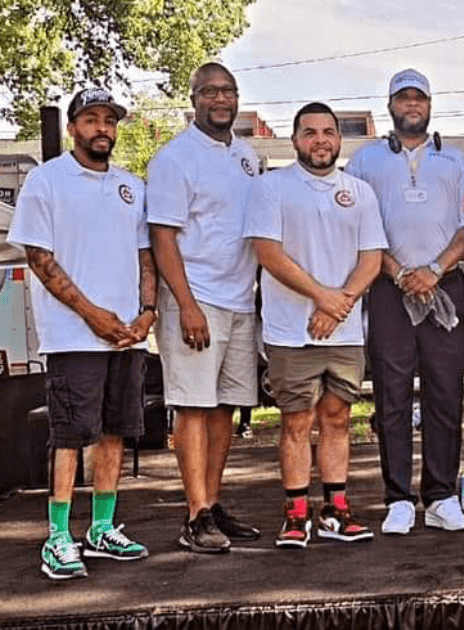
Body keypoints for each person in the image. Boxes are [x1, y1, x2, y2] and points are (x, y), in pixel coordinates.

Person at [10, 88, 154, 579]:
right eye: (91, 120)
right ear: (73, 127)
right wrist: (92, 314)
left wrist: (147, 312)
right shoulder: (46, 180)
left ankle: (102, 528)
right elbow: (38, 257)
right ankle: (57, 536)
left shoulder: (131, 186)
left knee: (116, 430)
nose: (101, 129)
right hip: (73, 336)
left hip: (127, 336)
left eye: (109, 121)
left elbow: (145, 254)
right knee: (69, 435)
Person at [244, 103, 388, 548]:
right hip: (291, 330)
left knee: (338, 418)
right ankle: (295, 513)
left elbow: (372, 258)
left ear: (340, 139)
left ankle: (335, 510)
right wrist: (322, 297)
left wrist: (338, 304)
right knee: (296, 421)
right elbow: (268, 254)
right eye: (310, 132)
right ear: (295, 140)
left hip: (344, 331)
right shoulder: (271, 187)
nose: (320, 140)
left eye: (328, 132)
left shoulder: (359, 192)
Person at [346, 69, 464, 535]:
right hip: (389, 287)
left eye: (419, 97)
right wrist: (400, 273)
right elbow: (360, 229)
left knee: (445, 393)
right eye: (403, 98)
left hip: (445, 284)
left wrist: (434, 270)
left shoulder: (456, 160)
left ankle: (441, 496)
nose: (412, 105)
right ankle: (398, 497)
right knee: (392, 395)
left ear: (430, 104)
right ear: (390, 106)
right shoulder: (365, 161)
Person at [147, 62, 262, 553]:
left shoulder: (247, 156)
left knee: (224, 406)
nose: (220, 99)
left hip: (239, 301)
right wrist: (186, 304)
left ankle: (212, 505)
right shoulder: (175, 158)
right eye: (210, 91)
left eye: (228, 91)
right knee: (193, 404)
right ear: (193, 98)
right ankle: (194, 516)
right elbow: (162, 237)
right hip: (195, 299)